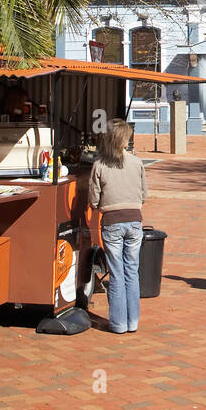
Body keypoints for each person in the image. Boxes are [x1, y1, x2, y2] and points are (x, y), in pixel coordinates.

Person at [88, 119, 147, 333]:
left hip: (112, 221)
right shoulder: (137, 163)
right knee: (132, 271)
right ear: (124, 141)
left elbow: (94, 200)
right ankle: (133, 322)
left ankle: (118, 323)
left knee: (116, 272)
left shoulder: (99, 165)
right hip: (134, 220)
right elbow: (144, 195)